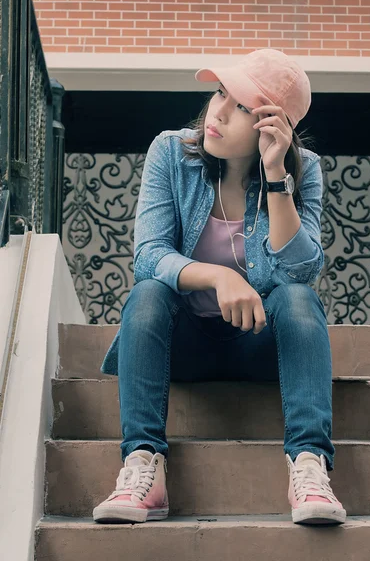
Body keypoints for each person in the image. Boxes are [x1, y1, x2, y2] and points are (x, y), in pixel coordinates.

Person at [93, 48, 346, 526]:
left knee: (297, 299)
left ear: (273, 126)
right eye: (220, 94)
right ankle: (142, 464)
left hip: (261, 348)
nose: (219, 112)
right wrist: (218, 275)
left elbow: (298, 273)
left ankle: (309, 467)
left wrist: (276, 177)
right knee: (148, 294)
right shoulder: (170, 151)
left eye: (243, 107)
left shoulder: (303, 169)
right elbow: (148, 257)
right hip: (182, 346)